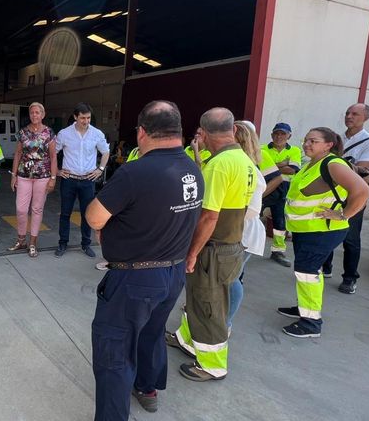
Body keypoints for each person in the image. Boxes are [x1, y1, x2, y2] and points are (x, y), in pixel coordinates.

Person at [85, 100, 203, 418]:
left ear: (142, 132)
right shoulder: (193, 168)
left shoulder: (136, 171)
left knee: (114, 352)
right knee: (151, 333)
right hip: (173, 273)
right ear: (179, 130)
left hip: (134, 278)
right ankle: (147, 387)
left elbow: (95, 217)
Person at [166, 108, 255, 382]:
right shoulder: (243, 159)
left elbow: (209, 216)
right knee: (199, 301)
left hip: (213, 248)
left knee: (210, 306)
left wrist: (192, 252)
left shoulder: (219, 165)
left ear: (203, 134)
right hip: (230, 243)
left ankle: (212, 365)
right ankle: (188, 339)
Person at [276, 127, 369, 338]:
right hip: (306, 229)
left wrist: (344, 215)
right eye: (306, 140)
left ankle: (311, 322)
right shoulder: (312, 164)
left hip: (321, 230)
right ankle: (304, 308)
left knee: (307, 272)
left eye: (314, 141)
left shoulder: (333, 163)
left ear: (329, 144)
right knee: (306, 272)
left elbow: (362, 191)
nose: (307, 144)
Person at [322, 103, 369, 293]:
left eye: (355, 113)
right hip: (331, 194)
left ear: (365, 118)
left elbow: (362, 170)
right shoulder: (336, 139)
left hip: (353, 198)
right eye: (348, 112)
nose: (349, 116)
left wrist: (337, 167)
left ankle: (349, 277)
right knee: (326, 230)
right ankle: (326, 267)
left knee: (351, 238)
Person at [226, 121, 270, 329]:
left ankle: (226, 324)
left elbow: (252, 210)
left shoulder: (247, 167)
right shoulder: (236, 163)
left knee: (231, 280)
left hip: (241, 233)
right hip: (235, 231)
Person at [54, 103, 109, 258]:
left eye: (88, 118)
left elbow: (105, 152)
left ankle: (86, 244)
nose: (86, 121)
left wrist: (100, 169)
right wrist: (57, 171)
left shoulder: (96, 134)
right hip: (69, 180)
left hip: (87, 181)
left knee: (87, 214)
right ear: (75, 117)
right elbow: (53, 153)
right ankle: (62, 243)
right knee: (65, 213)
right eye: (83, 118)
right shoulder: (64, 134)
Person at [9, 102, 58, 258]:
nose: (35, 115)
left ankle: (33, 243)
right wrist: (13, 175)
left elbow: (53, 157)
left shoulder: (49, 132)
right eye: (32, 113)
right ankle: (21, 239)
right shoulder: (23, 132)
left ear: (43, 114)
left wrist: (53, 178)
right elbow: (17, 154)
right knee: (21, 209)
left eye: (37, 112)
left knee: (37, 209)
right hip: (24, 176)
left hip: (42, 177)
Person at [264, 122, 302, 267]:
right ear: (272, 134)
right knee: (252, 216)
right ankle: (246, 245)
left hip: (284, 189)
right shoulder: (262, 149)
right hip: (266, 188)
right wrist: (281, 165)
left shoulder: (295, 150)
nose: (279, 136)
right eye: (276, 133)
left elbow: (292, 170)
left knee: (280, 221)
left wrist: (272, 165)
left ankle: (278, 251)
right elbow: (259, 166)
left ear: (289, 136)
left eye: (283, 134)